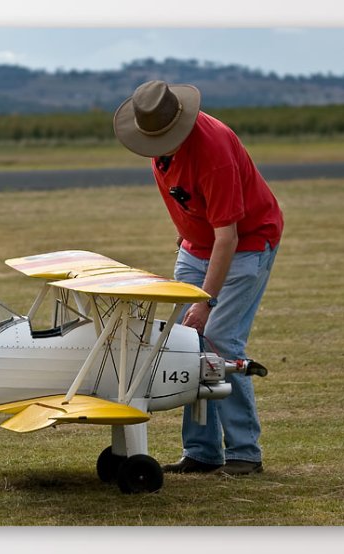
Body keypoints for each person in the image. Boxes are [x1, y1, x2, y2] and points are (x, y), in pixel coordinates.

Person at [113, 80, 283, 476]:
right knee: (188, 343)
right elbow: (186, 195)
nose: (155, 147)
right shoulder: (160, 146)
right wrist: (187, 229)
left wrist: (206, 300)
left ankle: (244, 452)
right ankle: (202, 453)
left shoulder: (214, 152)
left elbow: (229, 236)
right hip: (198, 243)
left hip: (246, 243)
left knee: (220, 342)